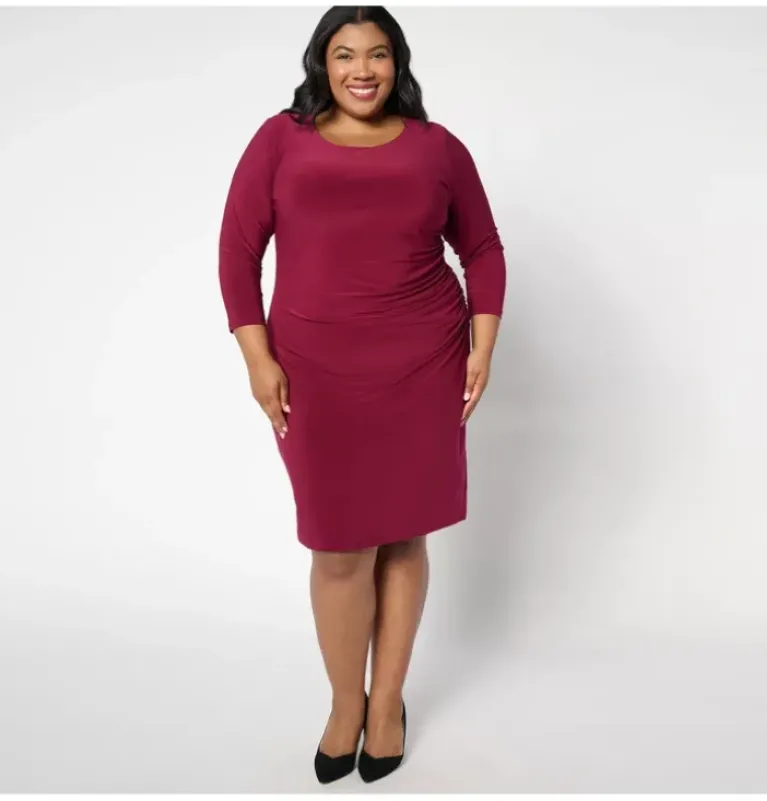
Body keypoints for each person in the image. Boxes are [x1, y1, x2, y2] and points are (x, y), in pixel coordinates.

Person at [218, 5, 506, 785]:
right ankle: (346, 702)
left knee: (404, 534)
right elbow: (238, 250)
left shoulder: (436, 148)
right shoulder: (280, 139)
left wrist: (482, 345)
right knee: (339, 545)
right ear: (322, 61)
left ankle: (387, 706)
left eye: (377, 54)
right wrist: (257, 358)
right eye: (344, 54)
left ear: (397, 62)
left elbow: (481, 246)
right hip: (314, 368)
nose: (362, 70)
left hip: (423, 362)